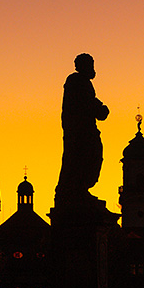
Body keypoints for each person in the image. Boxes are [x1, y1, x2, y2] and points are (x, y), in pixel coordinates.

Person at [55, 53, 110, 209]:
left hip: (85, 131)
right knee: (83, 158)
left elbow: (90, 101)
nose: (92, 68)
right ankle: (75, 190)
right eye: (90, 64)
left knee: (90, 157)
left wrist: (99, 108)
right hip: (80, 133)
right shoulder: (76, 81)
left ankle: (79, 189)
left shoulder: (82, 83)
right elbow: (85, 104)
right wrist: (100, 109)